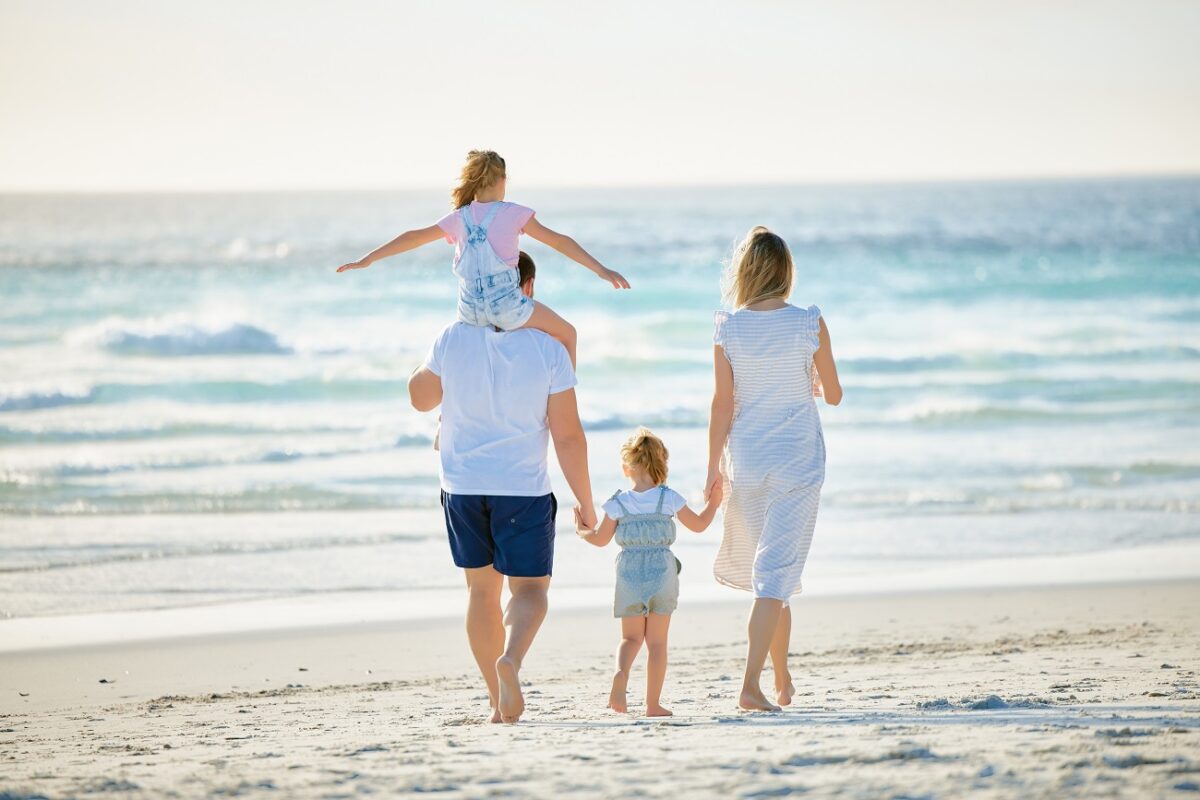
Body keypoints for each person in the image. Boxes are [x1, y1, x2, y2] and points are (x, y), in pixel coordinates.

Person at [407, 252, 596, 724]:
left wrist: (435, 358)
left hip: (464, 488)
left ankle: (497, 699)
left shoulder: (452, 339)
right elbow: (568, 437)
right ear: (527, 291)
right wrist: (586, 503)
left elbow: (419, 397)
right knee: (530, 591)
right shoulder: (549, 350)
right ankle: (510, 661)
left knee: (480, 594)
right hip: (522, 488)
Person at [705, 226, 843, 712]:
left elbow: (723, 404)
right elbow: (835, 392)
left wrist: (710, 469)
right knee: (774, 574)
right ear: (785, 272)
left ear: (745, 272)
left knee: (774, 575)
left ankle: (782, 679)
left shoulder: (729, 326)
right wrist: (806, 379)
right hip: (797, 461)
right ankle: (750, 686)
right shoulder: (809, 321)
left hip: (747, 460)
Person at [337, 149, 629, 366]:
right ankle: (564, 399)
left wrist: (369, 259)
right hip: (509, 309)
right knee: (568, 333)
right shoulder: (514, 213)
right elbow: (558, 241)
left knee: (462, 363)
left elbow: (413, 236)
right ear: (502, 180)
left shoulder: (458, 218)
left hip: (469, 314)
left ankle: (444, 416)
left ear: (473, 183)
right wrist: (601, 269)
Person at [575, 428, 722, 717]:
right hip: (662, 574)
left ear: (626, 468)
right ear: (663, 464)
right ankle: (652, 704)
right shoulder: (669, 498)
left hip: (628, 572)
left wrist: (582, 531)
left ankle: (620, 675)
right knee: (656, 643)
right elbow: (699, 525)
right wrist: (714, 503)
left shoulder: (618, 502)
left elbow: (601, 539)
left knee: (630, 639)